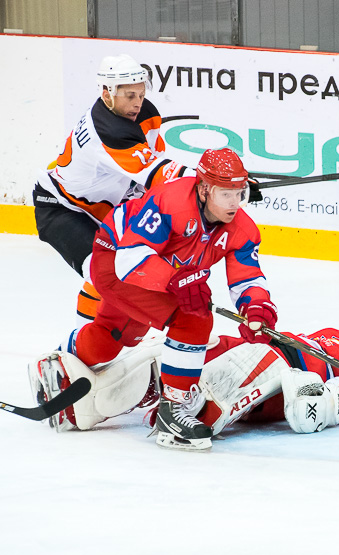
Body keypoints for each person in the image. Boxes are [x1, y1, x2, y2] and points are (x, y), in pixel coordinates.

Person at [29, 147, 276, 451]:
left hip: (152, 273)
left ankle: (59, 362)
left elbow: (247, 276)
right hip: (114, 260)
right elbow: (130, 259)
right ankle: (173, 412)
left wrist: (256, 307)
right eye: (226, 194)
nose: (234, 203)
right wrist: (177, 280)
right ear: (203, 188)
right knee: (193, 317)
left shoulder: (243, 230)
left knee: (114, 337)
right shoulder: (169, 201)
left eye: (239, 193)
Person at [28, 326, 339, 441]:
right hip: (265, 344)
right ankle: (82, 405)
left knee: (254, 364)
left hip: (276, 375)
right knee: (171, 351)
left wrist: (316, 399)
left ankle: (191, 419)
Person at [32, 54, 194, 326]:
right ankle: (84, 341)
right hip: (62, 208)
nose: (137, 103)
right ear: (107, 93)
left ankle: (125, 336)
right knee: (104, 272)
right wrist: (208, 182)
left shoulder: (143, 114)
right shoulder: (108, 130)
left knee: (137, 264)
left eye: (141, 94)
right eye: (130, 95)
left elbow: (155, 162)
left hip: (106, 208)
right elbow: (156, 173)